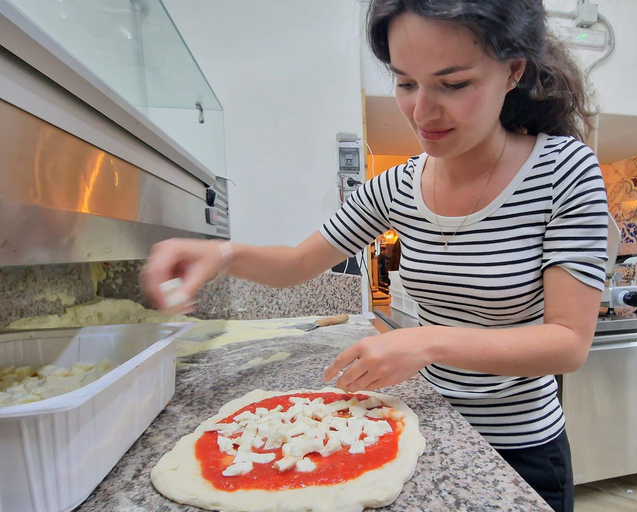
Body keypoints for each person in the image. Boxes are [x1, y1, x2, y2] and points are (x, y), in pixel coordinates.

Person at [141, 1, 608, 510]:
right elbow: (298, 263)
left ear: (512, 71)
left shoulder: (565, 170)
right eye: (406, 83)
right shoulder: (398, 185)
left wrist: (426, 342)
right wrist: (221, 253)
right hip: (426, 424)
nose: (423, 113)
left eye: (453, 84)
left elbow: (567, 343)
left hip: (522, 448)